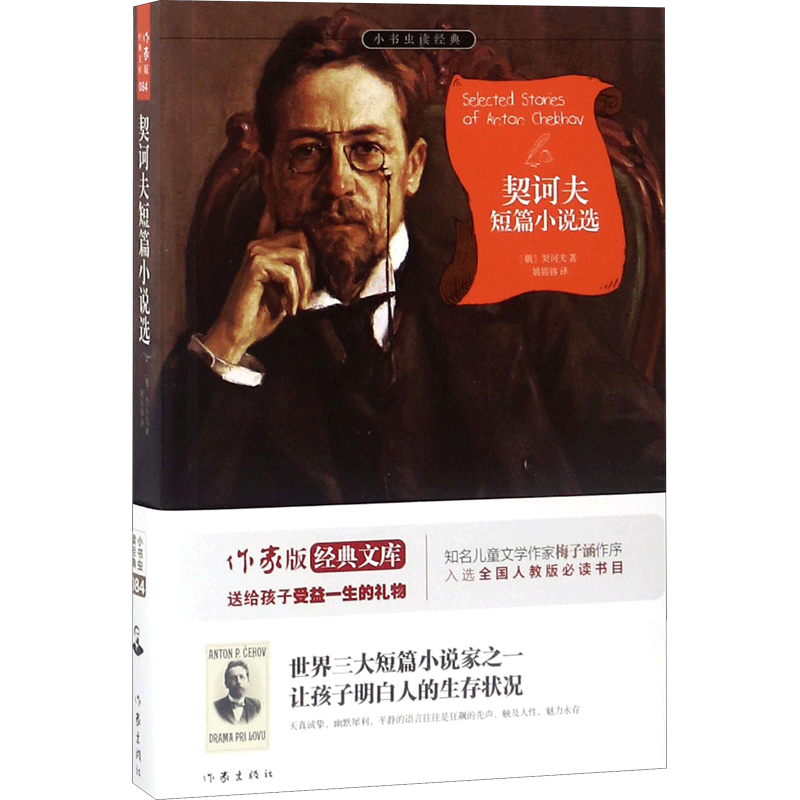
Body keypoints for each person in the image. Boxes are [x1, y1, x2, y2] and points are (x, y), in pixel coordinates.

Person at [160, 11, 665, 510]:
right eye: (308, 152)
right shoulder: (229, 334)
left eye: (367, 150)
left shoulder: (515, 302)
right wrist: (227, 346)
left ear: (413, 168)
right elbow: (174, 498)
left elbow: (654, 460)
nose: (337, 184)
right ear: (269, 177)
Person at [214, 660, 261, 725]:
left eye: (241, 677)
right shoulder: (216, 707)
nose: (238, 681)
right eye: (233, 678)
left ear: (248, 681)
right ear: (226, 683)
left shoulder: (256, 705)